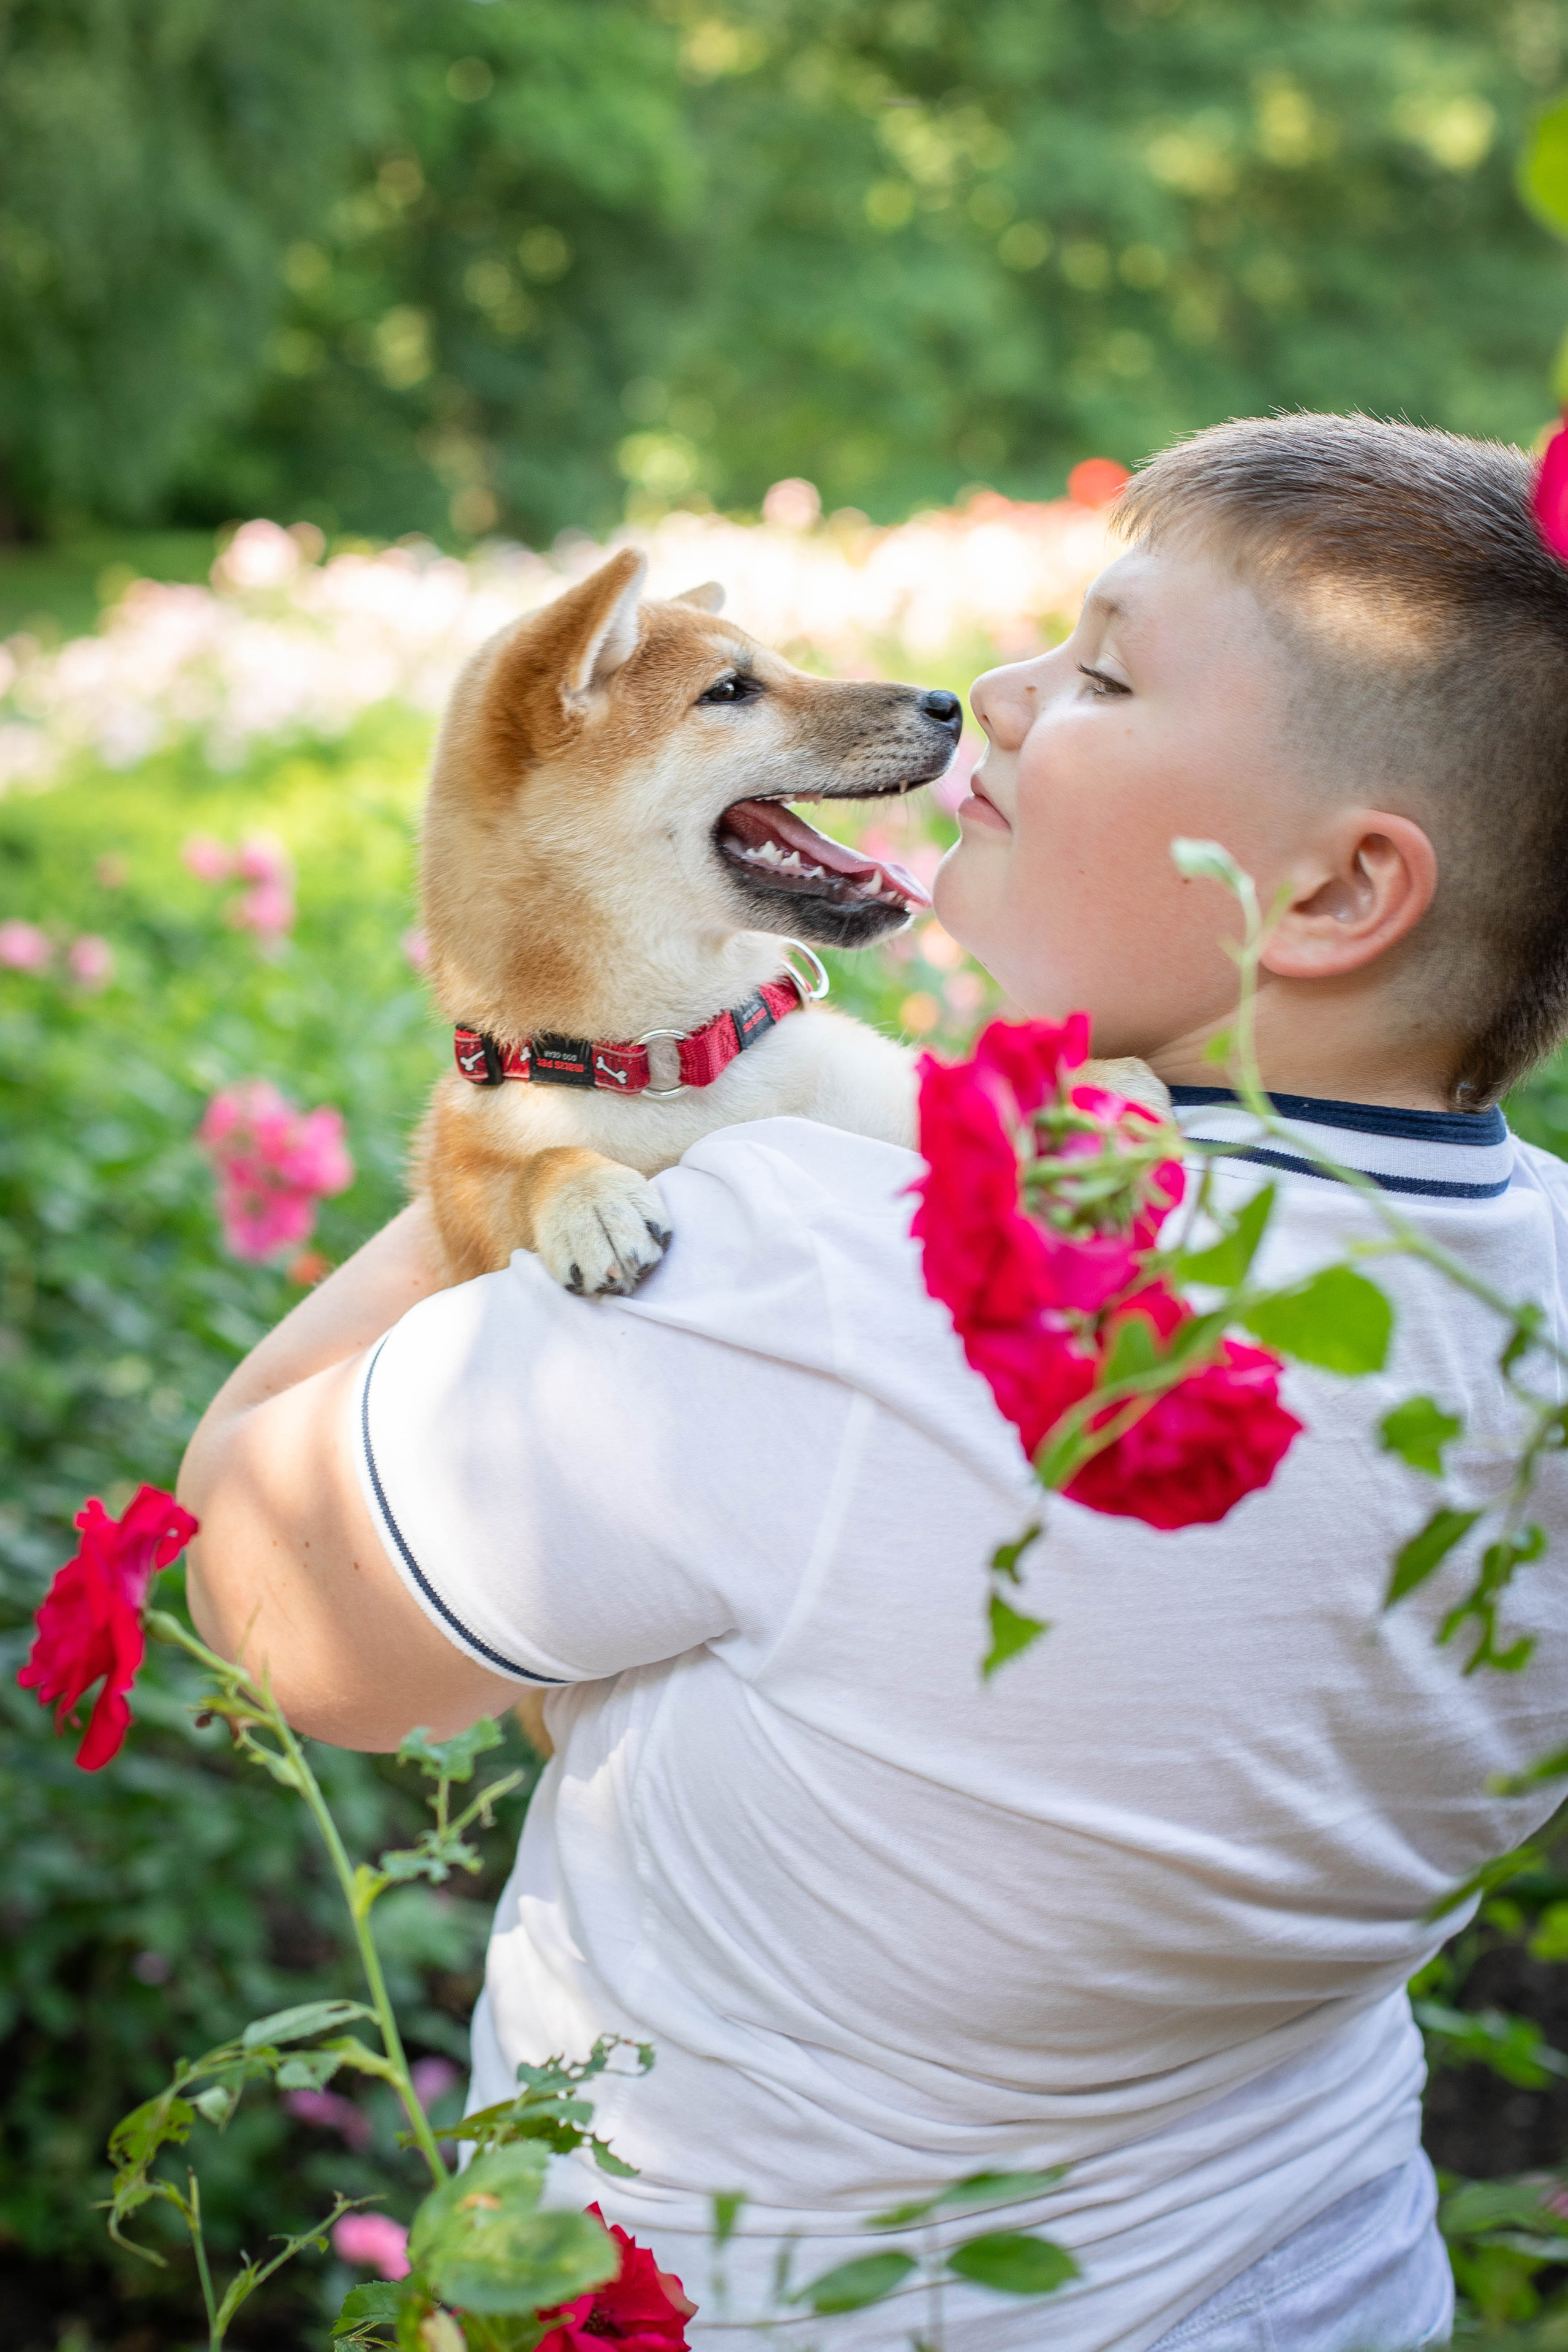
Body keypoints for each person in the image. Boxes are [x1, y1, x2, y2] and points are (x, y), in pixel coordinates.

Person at [179, 413, 1568, 2352]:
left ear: (1336, 895)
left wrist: (536, 1099)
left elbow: (266, 1601)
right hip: (1318, 2285)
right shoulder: (1547, 1304)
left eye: (1100, 672)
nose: (995, 691)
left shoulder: (810, 1280)